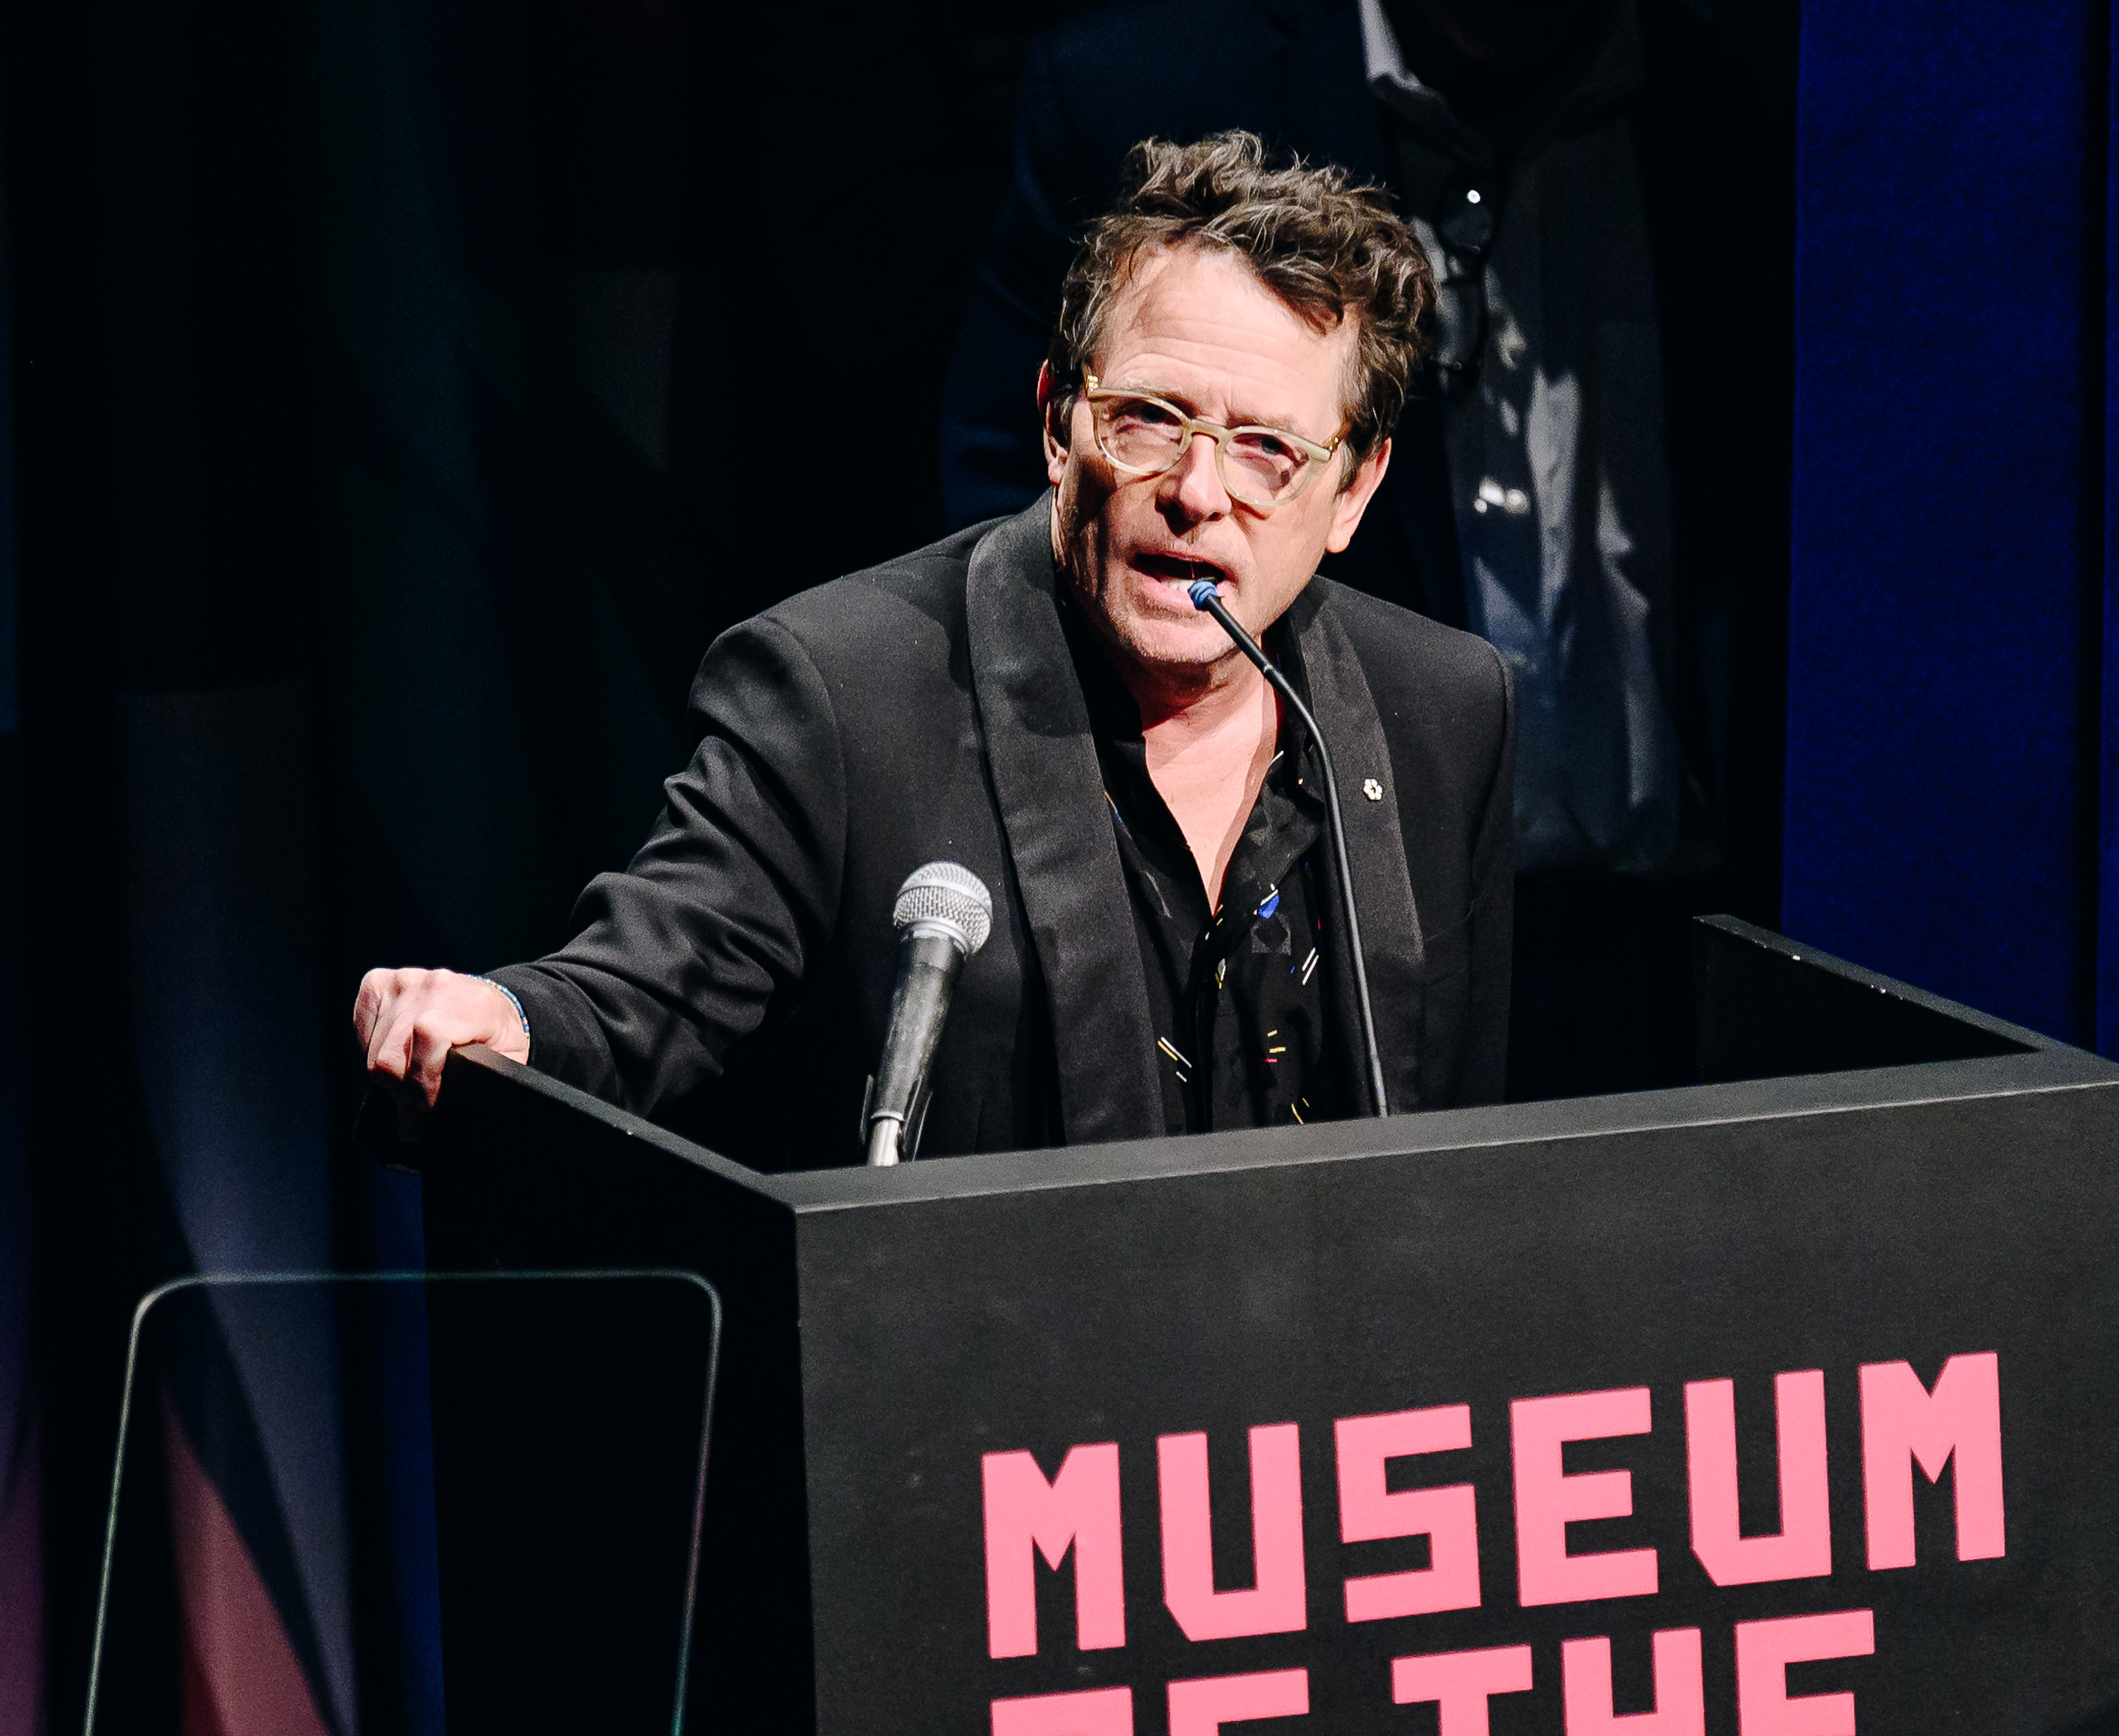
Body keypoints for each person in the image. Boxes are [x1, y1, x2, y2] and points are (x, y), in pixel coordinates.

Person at [355, 134, 1515, 1172]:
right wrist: (508, 1016)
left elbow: (1467, 1154)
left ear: (1354, 488)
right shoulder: (842, 693)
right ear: (1059, 422)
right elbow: (650, 987)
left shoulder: (1441, 713)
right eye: (1149, 419)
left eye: (1265, 448)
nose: (1197, 492)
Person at [940, 0, 1794, 1097]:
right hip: (1290, 960)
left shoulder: (1738, 109)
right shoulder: (1141, 91)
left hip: (1679, 949)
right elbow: (1011, 509)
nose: (1201, 488)